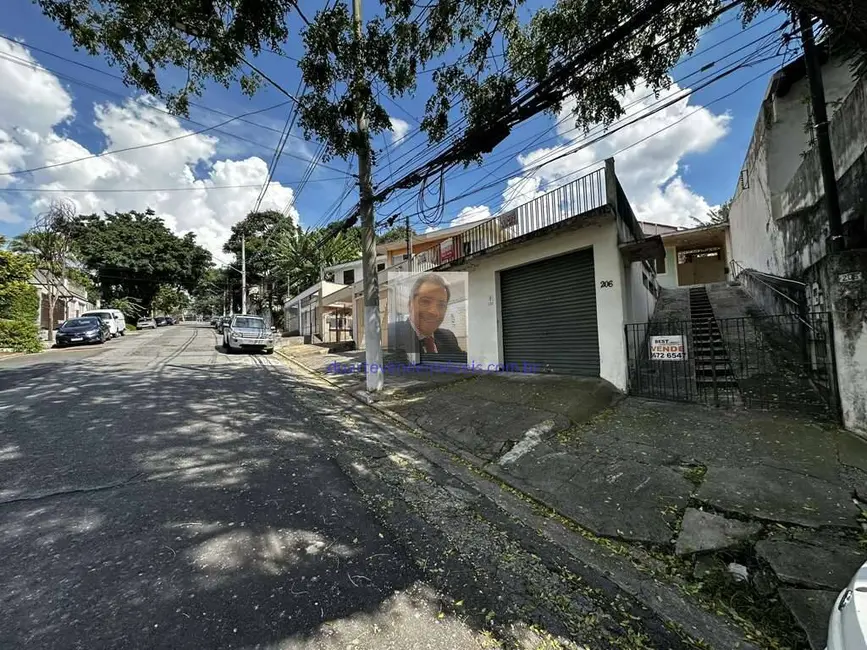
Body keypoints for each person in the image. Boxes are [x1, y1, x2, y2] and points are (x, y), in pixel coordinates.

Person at [388, 273, 462, 358]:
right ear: (410, 304)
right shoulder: (390, 336)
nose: (434, 312)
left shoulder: (448, 338)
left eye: (441, 305)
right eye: (425, 301)